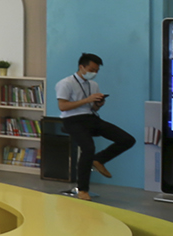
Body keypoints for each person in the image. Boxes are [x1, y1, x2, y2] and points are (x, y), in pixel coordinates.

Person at [55, 52, 135, 201]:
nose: (94, 73)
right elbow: (63, 106)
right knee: (88, 148)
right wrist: (87, 100)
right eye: (91, 70)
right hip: (71, 120)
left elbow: (92, 108)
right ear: (81, 67)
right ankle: (83, 189)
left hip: (90, 117)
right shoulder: (65, 83)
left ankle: (99, 160)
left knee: (127, 139)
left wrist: (98, 104)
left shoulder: (93, 85)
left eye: (97, 71)